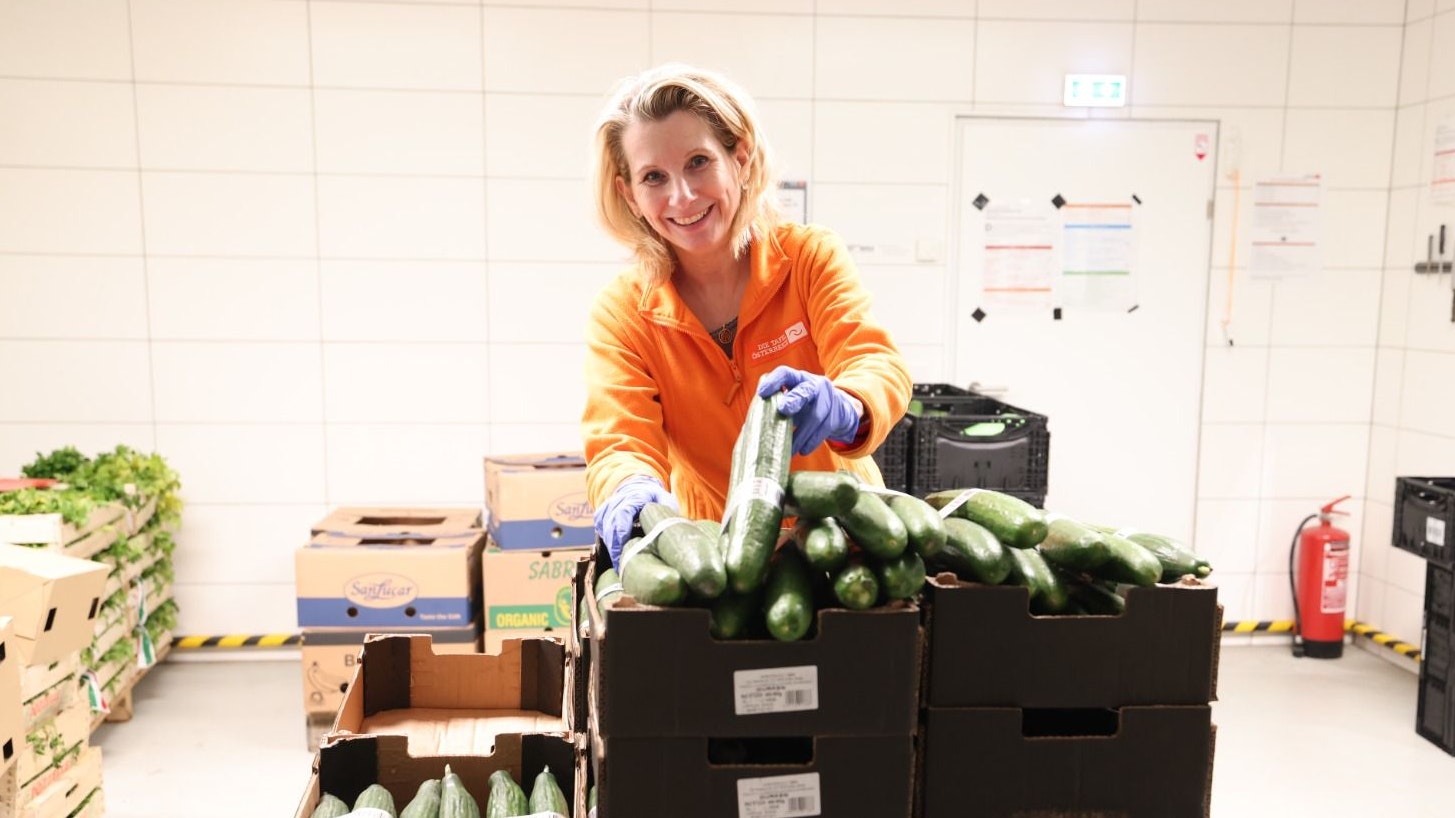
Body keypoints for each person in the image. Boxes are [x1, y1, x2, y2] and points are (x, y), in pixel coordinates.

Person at [582, 63, 911, 570]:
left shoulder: (807, 258)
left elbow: (873, 361)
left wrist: (848, 403)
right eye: (654, 177)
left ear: (739, 157)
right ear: (630, 194)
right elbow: (619, 438)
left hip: (849, 540)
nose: (683, 196)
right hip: (722, 555)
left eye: (698, 162)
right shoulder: (624, 313)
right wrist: (630, 486)